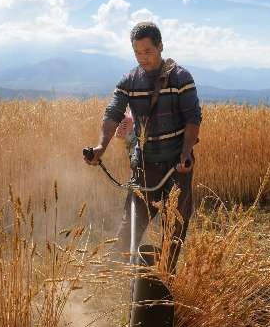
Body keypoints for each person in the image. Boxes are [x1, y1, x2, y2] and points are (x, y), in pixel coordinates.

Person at [85, 21, 202, 273]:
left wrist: (184, 155)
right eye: (137, 53)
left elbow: (193, 118)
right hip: (145, 165)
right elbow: (113, 113)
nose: (143, 58)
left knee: (174, 228)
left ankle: (164, 282)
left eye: (147, 52)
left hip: (176, 166)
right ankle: (114, 280)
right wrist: (100, 147)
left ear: (160, 47)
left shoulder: (181, 78)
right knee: (130, 225)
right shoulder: (129, 81)